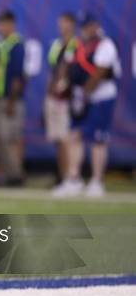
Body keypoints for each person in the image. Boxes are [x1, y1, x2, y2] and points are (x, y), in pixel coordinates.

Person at [53, 13, 120, 198]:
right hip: (82, 97)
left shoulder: (105, 44)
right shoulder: (80, 45)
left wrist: (83, 94)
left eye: (89, 26)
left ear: (96, 25)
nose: (85, 30)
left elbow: (99, 73)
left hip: (100, 97)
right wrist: (66, 84)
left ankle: (97, 181)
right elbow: (69, 67)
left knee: (98, 140)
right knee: (73, 135)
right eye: (83, 26)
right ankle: (73, 179)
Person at [0, 10, 26, 185]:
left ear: (12, 25)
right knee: (3, 138)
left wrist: (12, 100)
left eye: (5, 24)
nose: (2, 28)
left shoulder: (17, 44)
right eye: (0, 24)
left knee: (13, 137)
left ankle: (16, 172)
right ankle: (7, 172)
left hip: (12, 98)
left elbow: (19, 76)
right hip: (0, 96)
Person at [44, 12, 77, 183]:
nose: (62, 26)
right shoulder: (56, 44)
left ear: (72, 24)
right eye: (60, 22)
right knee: (57, 138)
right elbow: (53, 69)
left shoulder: (76, 44)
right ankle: (62, 175)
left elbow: (70, 69)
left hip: (66, 97)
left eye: (65, 22)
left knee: (66, 137)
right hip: (53, 95)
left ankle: (69, 176)